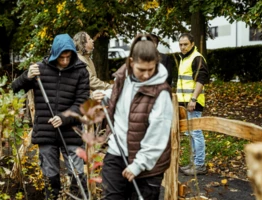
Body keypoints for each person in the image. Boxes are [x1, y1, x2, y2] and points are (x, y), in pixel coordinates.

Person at [93, 34, 173, 200]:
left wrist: (139, 164)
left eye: (151, 70)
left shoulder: (161, 92)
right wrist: (106, 95)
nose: (146, 75)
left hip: (147, 162)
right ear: (131, 63)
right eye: (141, 70)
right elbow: (120, 95)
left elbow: (158, 135)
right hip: (117, 152)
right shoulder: (123, 77)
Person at [11, 33, 89, 199]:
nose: (66, 61)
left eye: (69, 57)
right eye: (62, 57)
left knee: (77, 176)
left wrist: (64, 118)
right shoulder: (40, 70)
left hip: (71, 132)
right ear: (55, 54)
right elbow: (14, 90)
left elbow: (82, 103)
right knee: (50, 178)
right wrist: (27, 76)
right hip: (46, 133)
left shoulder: (81, 71)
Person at [176, 33, 209, 176]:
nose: (183, 47)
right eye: (181, 44)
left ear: (192, 44)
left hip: (193, 103)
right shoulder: (185, 58)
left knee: (195, 132)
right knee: (190, 133)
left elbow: (201, 79)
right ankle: (194, 162)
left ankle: (200, 165)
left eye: (185, 44)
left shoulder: (197, 58)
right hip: (184, 102)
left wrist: (193, 99)